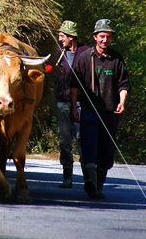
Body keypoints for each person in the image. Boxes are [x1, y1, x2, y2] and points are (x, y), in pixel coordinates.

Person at [70, 19, 130, 199]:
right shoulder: (84, 58)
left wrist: (122, 101)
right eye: (102, 36)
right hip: (89, 111)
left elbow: (124, 84)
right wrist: (74, 107)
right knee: (89, 147)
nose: (105, 40)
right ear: (95, 37)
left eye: (108, 37)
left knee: (106, 150)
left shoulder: (117, 59)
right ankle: (91, 182)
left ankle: (99, 185)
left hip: (110, 113)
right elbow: (74, 85)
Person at [55, 20, 90, 188]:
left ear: (71, 37)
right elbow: (49, 70)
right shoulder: (58, 53)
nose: (60, 38)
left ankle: (88, 179)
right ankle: (67, 177)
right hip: (63, 103)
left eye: (62, 36)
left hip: (81, 104)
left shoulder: (86, 53)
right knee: (64, 141)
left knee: (82, 139)